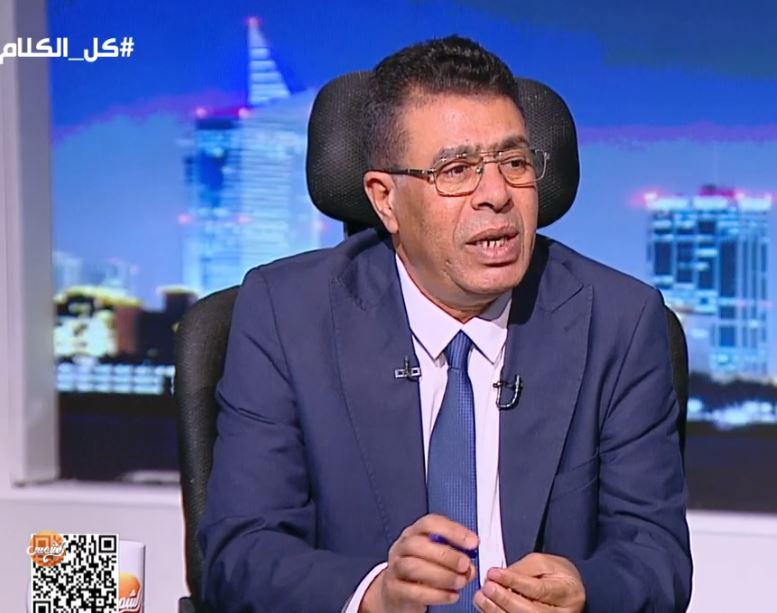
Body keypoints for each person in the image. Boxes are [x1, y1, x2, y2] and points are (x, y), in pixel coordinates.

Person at [198, 35, 691, 612]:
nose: (497, 195)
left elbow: (655, 556)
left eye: (514, 163)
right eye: (456, 170)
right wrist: (374, 595)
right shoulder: (287, 315)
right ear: (385, 200)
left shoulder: (618, 321)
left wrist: (587, 592)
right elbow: (240, 554)